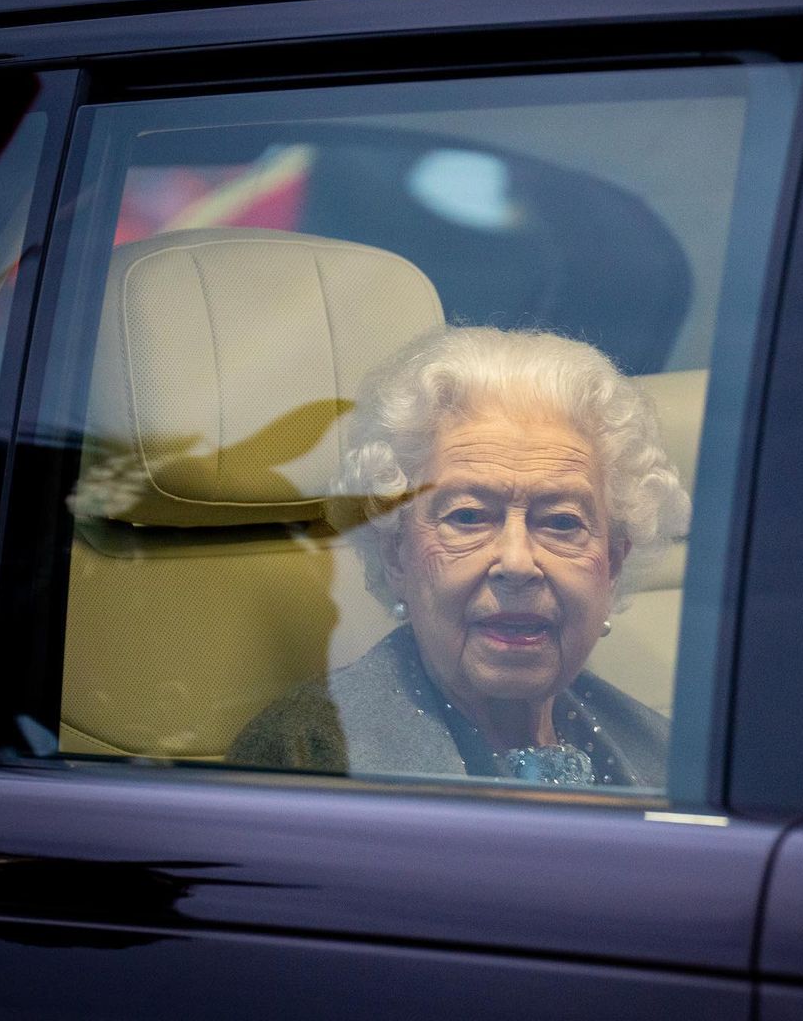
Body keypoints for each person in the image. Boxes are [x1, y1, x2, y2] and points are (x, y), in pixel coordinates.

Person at [229, 327, 691, 787]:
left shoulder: (674, 759)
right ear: (396, 553)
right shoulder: (310, 758)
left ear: (613, 563)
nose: (517, 564)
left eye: (561, 522)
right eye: (468, 517)